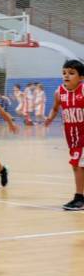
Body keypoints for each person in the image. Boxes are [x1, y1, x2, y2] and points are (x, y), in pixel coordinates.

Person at [44, 60, 84, 210]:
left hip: (83, 135)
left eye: (71, 73)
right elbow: (55, 109)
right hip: (71, 136)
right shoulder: (59, 92)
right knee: (77, 166)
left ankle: (79, 198)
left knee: (77, 164)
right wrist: (49, 118)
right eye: (64, 73)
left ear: (81, 78)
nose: (67, 76)